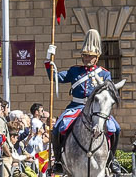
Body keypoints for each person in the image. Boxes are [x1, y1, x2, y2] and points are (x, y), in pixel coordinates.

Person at [45, 28, 119, 156]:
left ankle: (112, 159)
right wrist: (48, 60)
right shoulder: (74, 71)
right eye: (85, 55)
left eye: (90, 56)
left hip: (96, 108)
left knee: (116, 128)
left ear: (97, 57)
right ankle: (57, 159)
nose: (87, 58)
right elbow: (55, 77)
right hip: (76, 106)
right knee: (57, 127)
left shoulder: (104, 74)